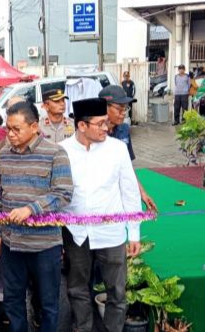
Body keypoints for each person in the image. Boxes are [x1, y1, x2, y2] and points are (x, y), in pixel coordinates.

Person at [59, 98, 142, 332]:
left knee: (116, 291)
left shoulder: (117, 149)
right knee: (77, 288)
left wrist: (133, 232)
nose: (106, 128)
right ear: (82, 126)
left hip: (111, 234)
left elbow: (129, 191)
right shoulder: (63, 150)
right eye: (100, 123)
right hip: (76, 234)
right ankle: (82, 328)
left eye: (107, 122)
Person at [0, 101, 73, 332]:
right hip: (11, 243)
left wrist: (31, 209)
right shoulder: (4, 152)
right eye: (8, 128)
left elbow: (64, 194)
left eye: (16, 129)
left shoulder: (55, 153)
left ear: (34, 126)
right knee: (13, 301)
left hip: (44, 246)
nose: (11, 134)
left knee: (48, 304)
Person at [99, 85, 158, 212]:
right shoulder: (92, 133)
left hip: (123, 193)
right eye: (120, 108)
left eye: (125, 108)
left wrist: (142, 192)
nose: (124, 112)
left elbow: (128, 167)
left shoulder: (124, 129)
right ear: (104, 107)